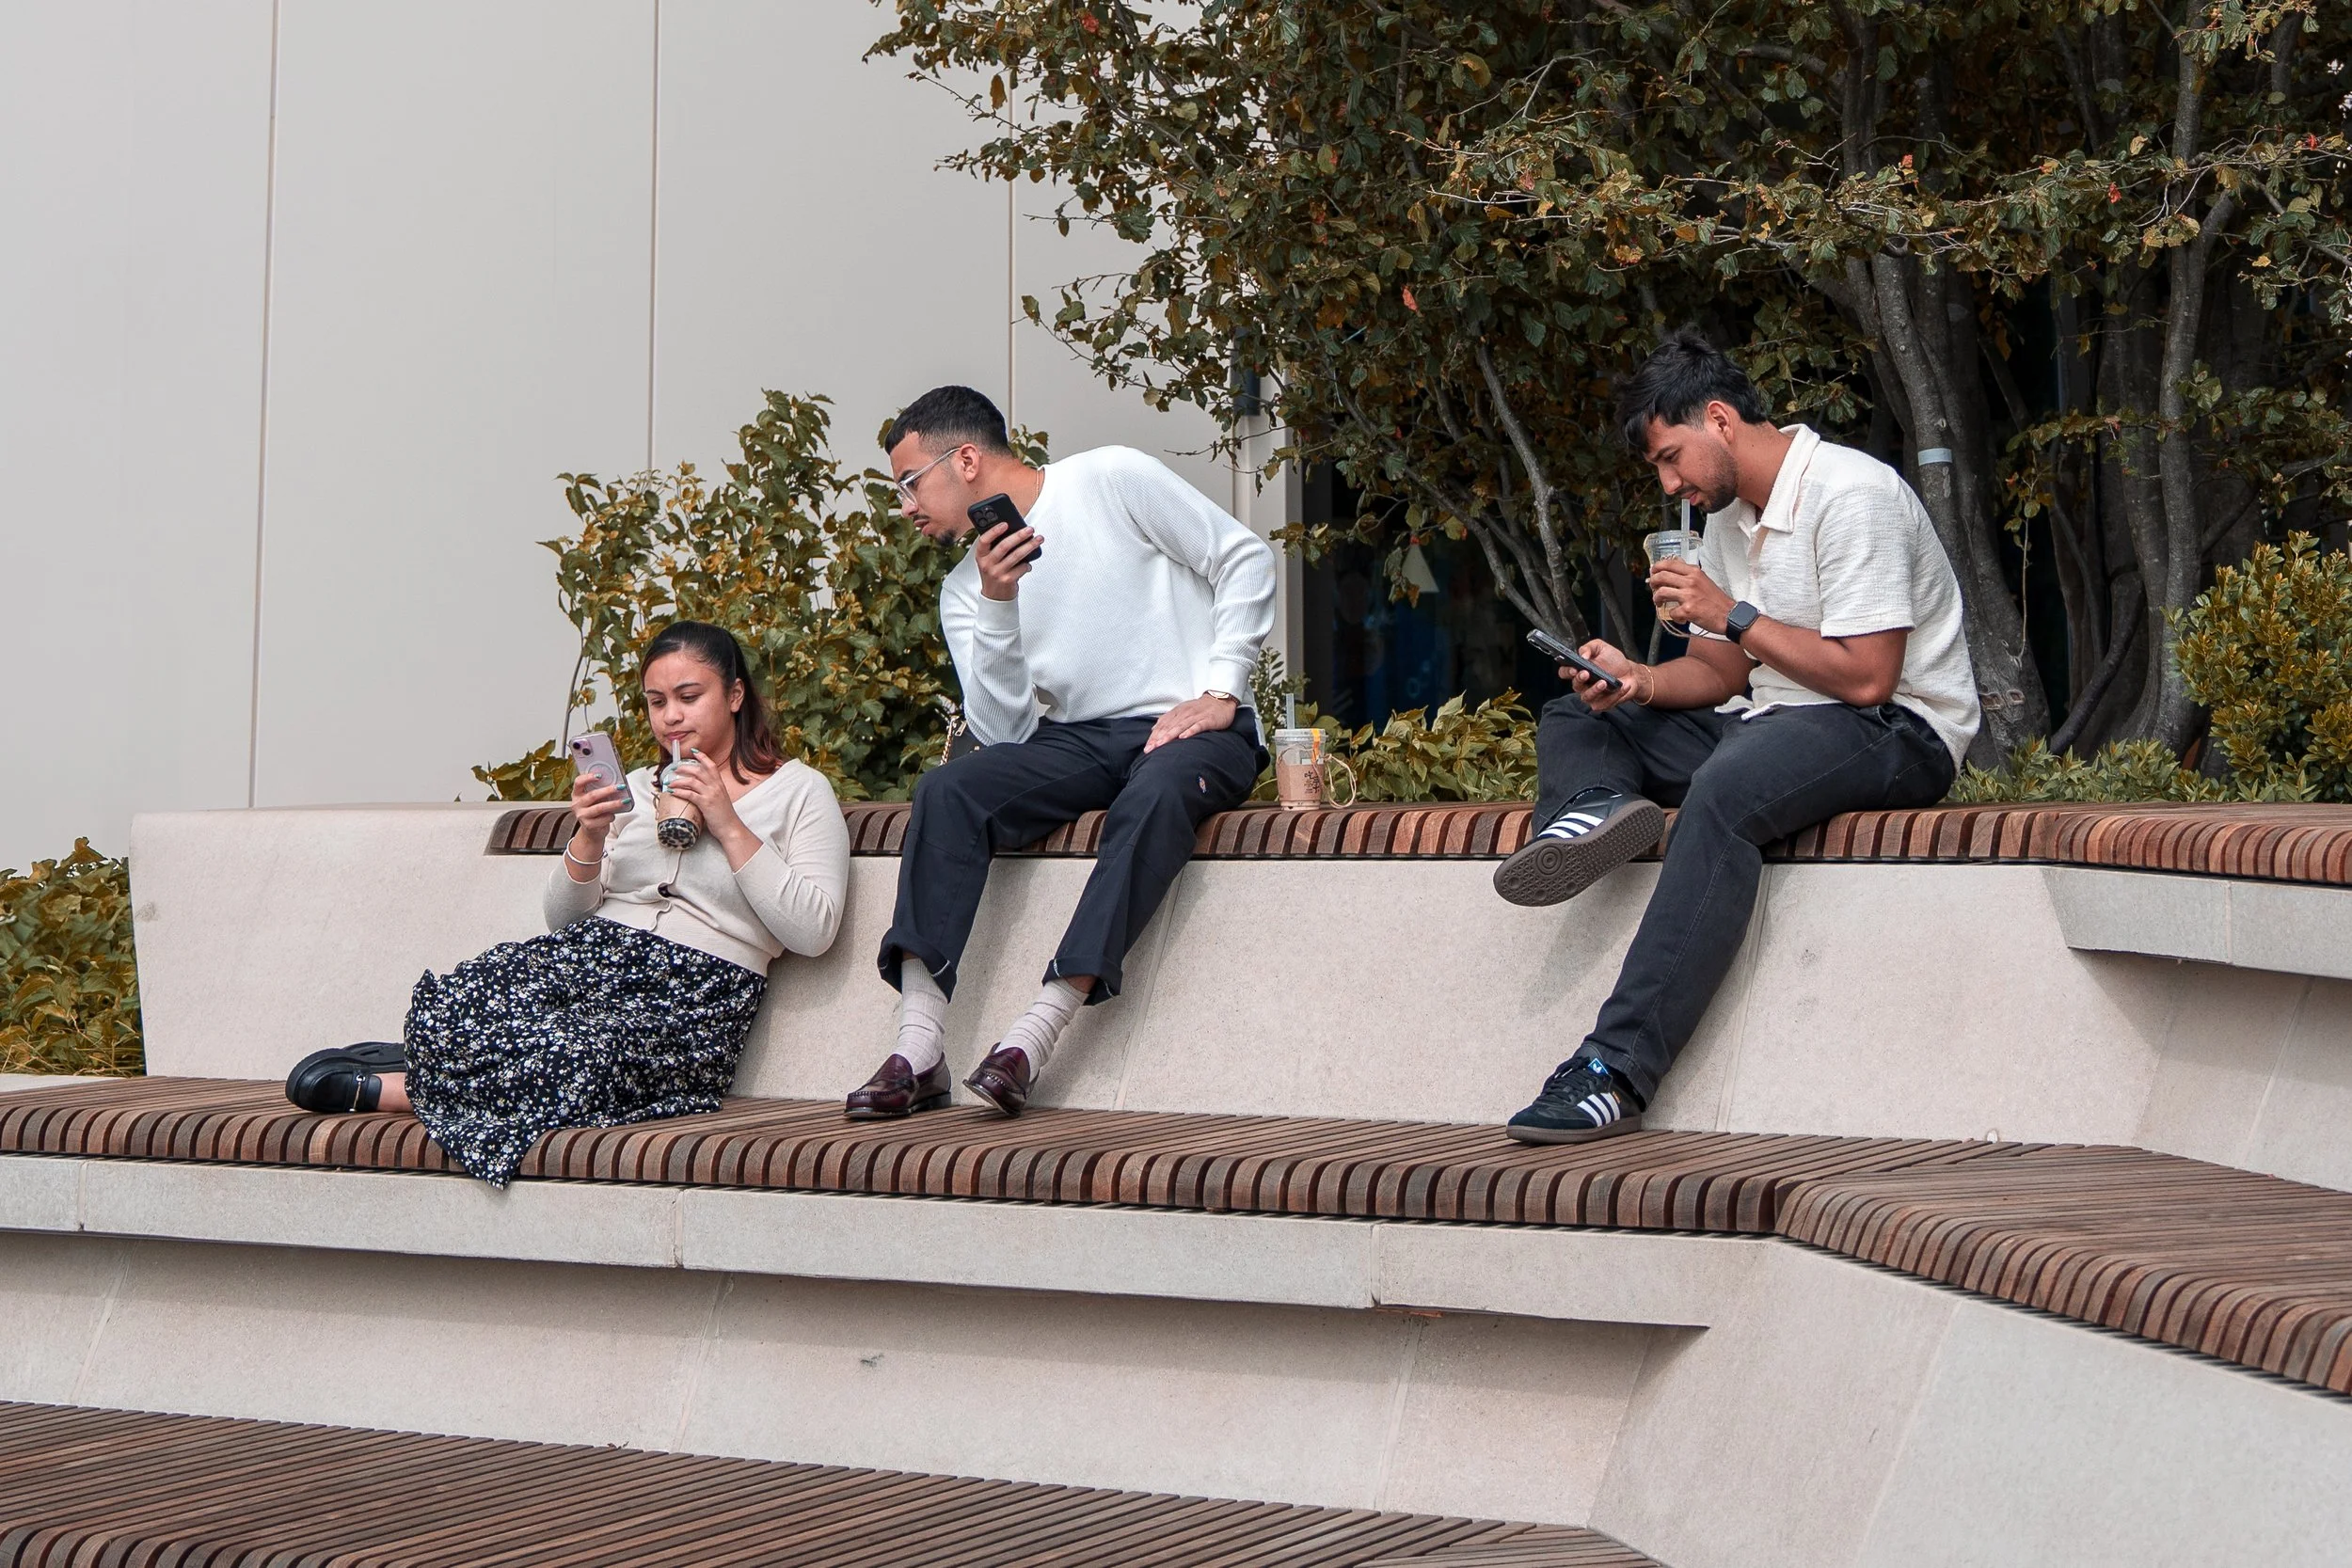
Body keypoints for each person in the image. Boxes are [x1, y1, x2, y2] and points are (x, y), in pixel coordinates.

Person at [1495, 330, 1979, 1144]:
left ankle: (1615, 1070)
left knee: (1729, 787)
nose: (1670, 481)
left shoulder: (1849, 493)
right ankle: (1595, 808)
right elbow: (1719, 673)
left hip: (1898, 729)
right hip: (1772, 719)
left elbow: (1868, 677)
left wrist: (1733, 613)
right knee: (1582, 712)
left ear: (1720, 419)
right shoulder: (1728, 515)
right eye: (1659, 467)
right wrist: (1638, 681)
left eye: (1671, 457)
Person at [282, 621, 851, 1184]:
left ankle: (400, 1086)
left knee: (582, 1057)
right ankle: (442, 1065)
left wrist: (728, 823)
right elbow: (562, 919)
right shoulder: (633, 786)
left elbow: (814, 930)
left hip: (697, 992)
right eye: (656, 702)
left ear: (733, 695)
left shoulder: (798, 791)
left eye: (688, 697)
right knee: (469, 988)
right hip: (594, 953)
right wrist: (590, 834)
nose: (671, 717)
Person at [848, 385, 1278, 1120]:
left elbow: (1244, 558)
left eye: (910, 483)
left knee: (1154, 795)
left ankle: (1034, 1033)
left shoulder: (1110, 479)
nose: (906, 506)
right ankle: (918, 1046)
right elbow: (1005, 732)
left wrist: (1221, 689)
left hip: (1197, 725)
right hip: (1081, 737)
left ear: (969, 460)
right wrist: (999, 603)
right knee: (949, 791)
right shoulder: (966, 589)